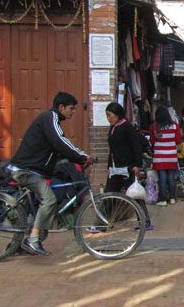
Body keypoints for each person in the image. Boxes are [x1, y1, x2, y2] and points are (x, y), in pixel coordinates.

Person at [9, 92, 92, 256]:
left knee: (28, 209)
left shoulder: (51, 120)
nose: (73, 112)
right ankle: (33, 240)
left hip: (32, 169)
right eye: (71, 108)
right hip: (26, 170)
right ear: (61, 107)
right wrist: (82, 156)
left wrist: (75, 159)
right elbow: (60, 142)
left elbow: (57, 148)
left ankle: (17, 243)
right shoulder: (51, 118)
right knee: (50, 200)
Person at [103, 102, 152, 229]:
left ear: (117, 115)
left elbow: (136, 147)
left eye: (110, 115)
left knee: (135, 195)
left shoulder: (127, 127)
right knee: (108, 195)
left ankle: (145, 221)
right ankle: (102, 223)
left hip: (127, 167)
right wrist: (109, 166)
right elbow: (112, 150)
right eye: (107, 116)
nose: (109, 118)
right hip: (115, 168)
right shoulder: (113, 128)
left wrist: (137, 164)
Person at [150, 105, 182, 206]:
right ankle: (172, 198)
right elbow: (178, 140)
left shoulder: (154, 126)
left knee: (162, 177)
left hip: (159, 156)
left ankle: (163, 199)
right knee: (171, 177)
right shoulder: (174, 126)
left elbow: (152, 141)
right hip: (172, 155)